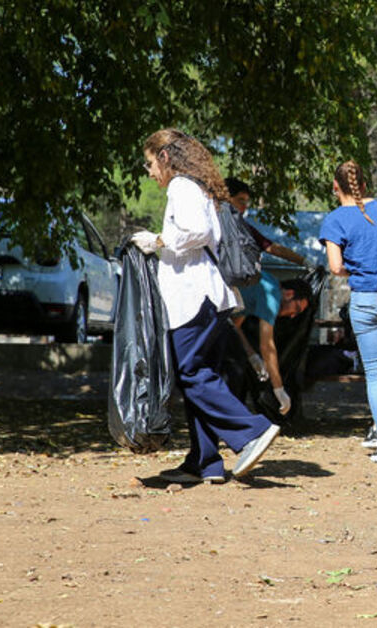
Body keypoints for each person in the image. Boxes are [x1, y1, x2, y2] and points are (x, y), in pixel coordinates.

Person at [130, 128, 279, 484]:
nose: (150, 172)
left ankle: (252, 432)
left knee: (190, 373)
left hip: (194, 298)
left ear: (165, 157)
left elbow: (196, 231)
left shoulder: (182, 186)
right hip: (210, 298)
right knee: (199, 373)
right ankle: (205, 461)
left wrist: (158, 241)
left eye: (150, 163)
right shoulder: (198, 187)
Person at [319, 161, 377, 465]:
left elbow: (335, 267)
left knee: (373, 369)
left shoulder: (335, 220)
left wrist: (361, 268)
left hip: (367, 302)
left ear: (336, 187)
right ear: (364, 184)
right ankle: (376, 426)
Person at [224, 177, 309, 416]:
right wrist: (279, 389)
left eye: (246, 203)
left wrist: (251, 355)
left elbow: (235, 324)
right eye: (239, 201)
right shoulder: (270, 292)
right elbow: (268, 345)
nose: (293, 316)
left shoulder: (242, 228)